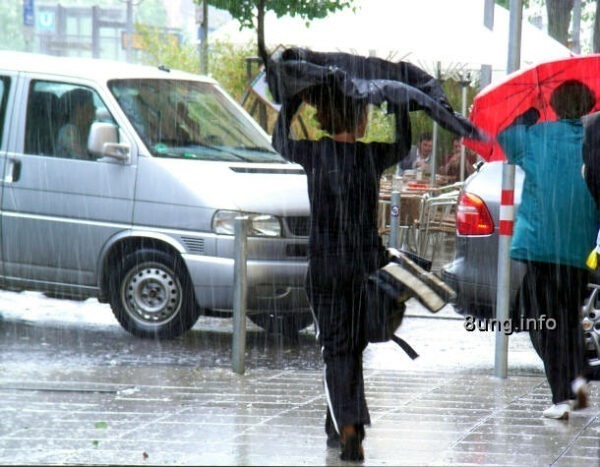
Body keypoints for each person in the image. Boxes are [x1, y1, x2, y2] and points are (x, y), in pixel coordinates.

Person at [272, 87, 409, 461]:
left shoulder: (314, 153)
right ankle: (340, 425)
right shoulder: (370, 156)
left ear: (325, 120)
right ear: (362, 120)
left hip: (325, 266)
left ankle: (349, 426)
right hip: (363, 266)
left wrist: (294, 100)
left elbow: (279, 139)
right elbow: (404, 142)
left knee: (337, 349)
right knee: (351, 347)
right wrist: (396, 103)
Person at [497, 80, 598, 420]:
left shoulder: (538, 135)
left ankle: (561, 398)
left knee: (546, 322)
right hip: (579, 245)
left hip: (541, 244)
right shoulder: (592, 140)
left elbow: (505, 137)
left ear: (555, 104)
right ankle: (578, 383)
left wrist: (527, 115)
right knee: (568, 316)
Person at [56, 88, 96, 159]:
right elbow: (83, 158)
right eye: (91, 108)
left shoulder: (82, 131)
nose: (94, 113)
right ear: (79, 110)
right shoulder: (69, 131)